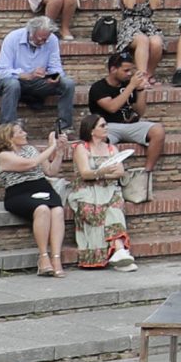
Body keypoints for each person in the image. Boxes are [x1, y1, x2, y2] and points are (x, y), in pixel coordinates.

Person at [0, 123, 71, 276]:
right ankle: (43, 258)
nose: (25, 133)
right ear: (9, 137)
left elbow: (50, 171)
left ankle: (56, 258)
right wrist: (52, 146)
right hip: (19, 192)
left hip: (42, 187)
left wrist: (60, 151)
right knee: (42, 209)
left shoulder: (31, 149)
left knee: (57, 210)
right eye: (20, 131)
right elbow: (30, 164)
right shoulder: (3, 155)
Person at [67, 114, 139, 270]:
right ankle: (118, 254)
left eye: (106, 125)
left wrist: (100, 174)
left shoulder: (111, 148)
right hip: (86, 190)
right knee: (94, 209)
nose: (106, 128)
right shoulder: (82, 148)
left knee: (114, 209)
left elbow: (119, 172)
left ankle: (119, 251)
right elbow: (85, 173)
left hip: (109, 188)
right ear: (92, 130)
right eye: (102, 126)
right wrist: (103, 172)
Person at [0, 14, 75, 132]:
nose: (42, 42)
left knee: (68, 83)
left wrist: (55, 76)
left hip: (38, 81)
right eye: (40, 38)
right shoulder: (13, 38)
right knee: (12, 85)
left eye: (45, 39)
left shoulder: (52, 39)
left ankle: (64, 128)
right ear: (31, 32)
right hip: (14, 79)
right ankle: (8, 129)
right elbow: (3, 71)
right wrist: (27, 75)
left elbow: (56, 67)